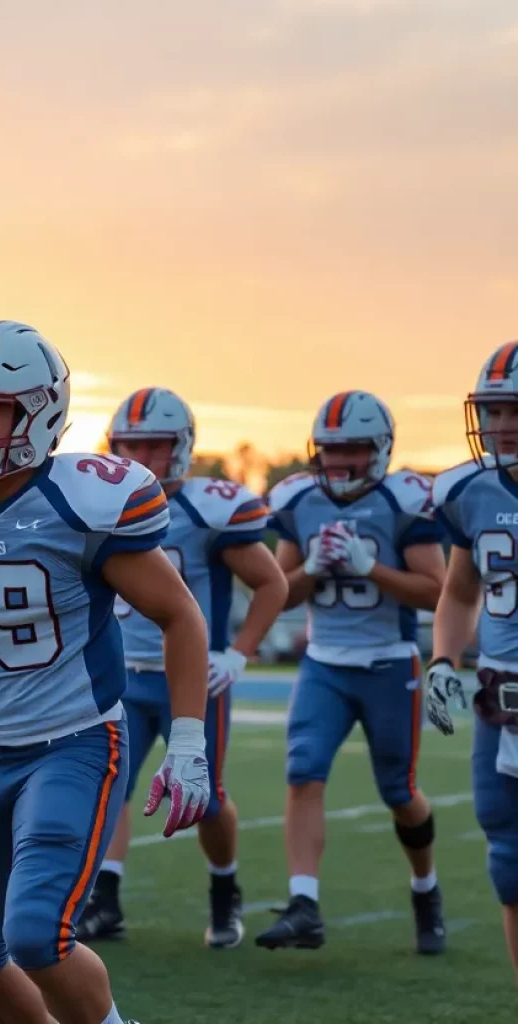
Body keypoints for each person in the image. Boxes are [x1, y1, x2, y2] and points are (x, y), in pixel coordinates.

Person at [0, 320, 210, 1024]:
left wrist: (189, 743)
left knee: (36, 936)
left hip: (73, 741)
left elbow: (181, 616)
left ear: (38, 413)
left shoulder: (80, 503)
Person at [77, 388, 287, 948]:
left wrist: (239, 652)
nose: (142, 458)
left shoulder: (208, 508)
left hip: (190, 678)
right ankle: (106, 899)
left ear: (183, 448)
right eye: (131, 445)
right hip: (120, 676)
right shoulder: (97, 504)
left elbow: (272, 582)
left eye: (155, 446)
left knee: (207, 797)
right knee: (108, 788)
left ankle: (224, 890)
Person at [257, 390, 447, 954]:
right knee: (303, 769)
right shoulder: (299, 500)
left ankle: (425, 888)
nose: (338, 462)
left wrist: (373, 568)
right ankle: (304, 904)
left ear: (381, 450)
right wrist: (311, 568)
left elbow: (437, 594)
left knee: (399, 790)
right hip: (324, 663)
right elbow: (279, 596)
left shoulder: (405, 500)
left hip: (389, 662)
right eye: (331, 449)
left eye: (354, 450)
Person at [426, 340, 518, 983]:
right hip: (501, 699)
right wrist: (442, 659)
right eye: (492, 410)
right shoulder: (467, 489)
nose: (501, 425)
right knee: (508, 856)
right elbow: (461, 590)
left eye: (515, 409)